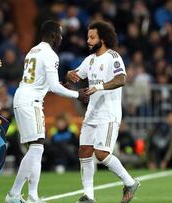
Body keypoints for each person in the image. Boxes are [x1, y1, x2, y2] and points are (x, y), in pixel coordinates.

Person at [5, 20, 88, 203]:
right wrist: (77, 94)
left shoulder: (33, 51)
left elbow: (46, 84)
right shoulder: (51, 55)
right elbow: (53, 87)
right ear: (52, 35)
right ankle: (13, 194)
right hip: (31, 102)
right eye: (59, 34)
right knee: (36, 148)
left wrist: (59, 86)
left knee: (37, 148)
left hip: (24, 97)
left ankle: (33, 195)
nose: (61, 37)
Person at [66, 21, 140, 203]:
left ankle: (130, 182)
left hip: (108, 113)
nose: (88, 41)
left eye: (92, 37)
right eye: (88, 37)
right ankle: (89, 196)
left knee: (101, 153)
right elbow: (76, 75)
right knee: (84, 151)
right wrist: (70, 75)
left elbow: (121, 79)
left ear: (103, 39)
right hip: (92, 113)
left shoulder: (113, 57)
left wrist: (99, 86)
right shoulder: (89, 60)